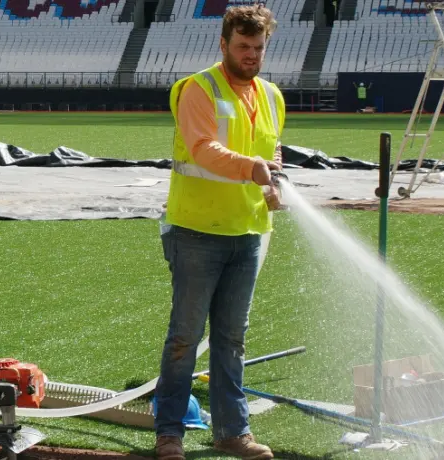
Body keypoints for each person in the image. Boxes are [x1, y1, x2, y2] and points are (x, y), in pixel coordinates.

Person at [156, 5, 285, 460]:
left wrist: (274, 182)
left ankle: (233, 433)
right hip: (196, 231)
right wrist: (253, 169)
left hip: (247, 232)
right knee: (185, 337)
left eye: (258, 48)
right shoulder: (199, 89)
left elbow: (272, 151)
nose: (251, 55)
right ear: (224, 44)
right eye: (243, 47)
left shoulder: (270, 95)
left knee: (232, 339)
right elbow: (203, 149)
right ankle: (169, 433)